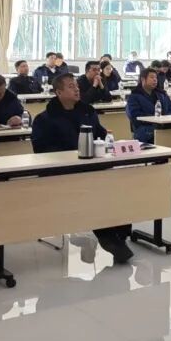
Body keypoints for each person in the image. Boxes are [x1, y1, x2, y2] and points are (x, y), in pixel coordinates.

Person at [31, 73, 134, 264]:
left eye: (77, 86)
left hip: (92, 166)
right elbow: (41, 151)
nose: (77, 89)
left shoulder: (87, 111)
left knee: (120, 184)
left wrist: (108, 141)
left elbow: (100, 133)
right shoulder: (44, 119)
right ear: (58, 92)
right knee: (94, 193)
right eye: (71, 86)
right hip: (64, 172)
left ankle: (120, 232)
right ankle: (110, 238)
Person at [127, 68, 171, 184]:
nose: (155, 80)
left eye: (156, 78)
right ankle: (160, 172)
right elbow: (135, 116)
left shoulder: (161, 94)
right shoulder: (134, 96)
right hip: (145, 130)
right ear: (143, 79)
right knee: (161, 137)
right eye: (152, 77)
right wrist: (155, 120)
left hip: (165, 126)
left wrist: (165, 119)